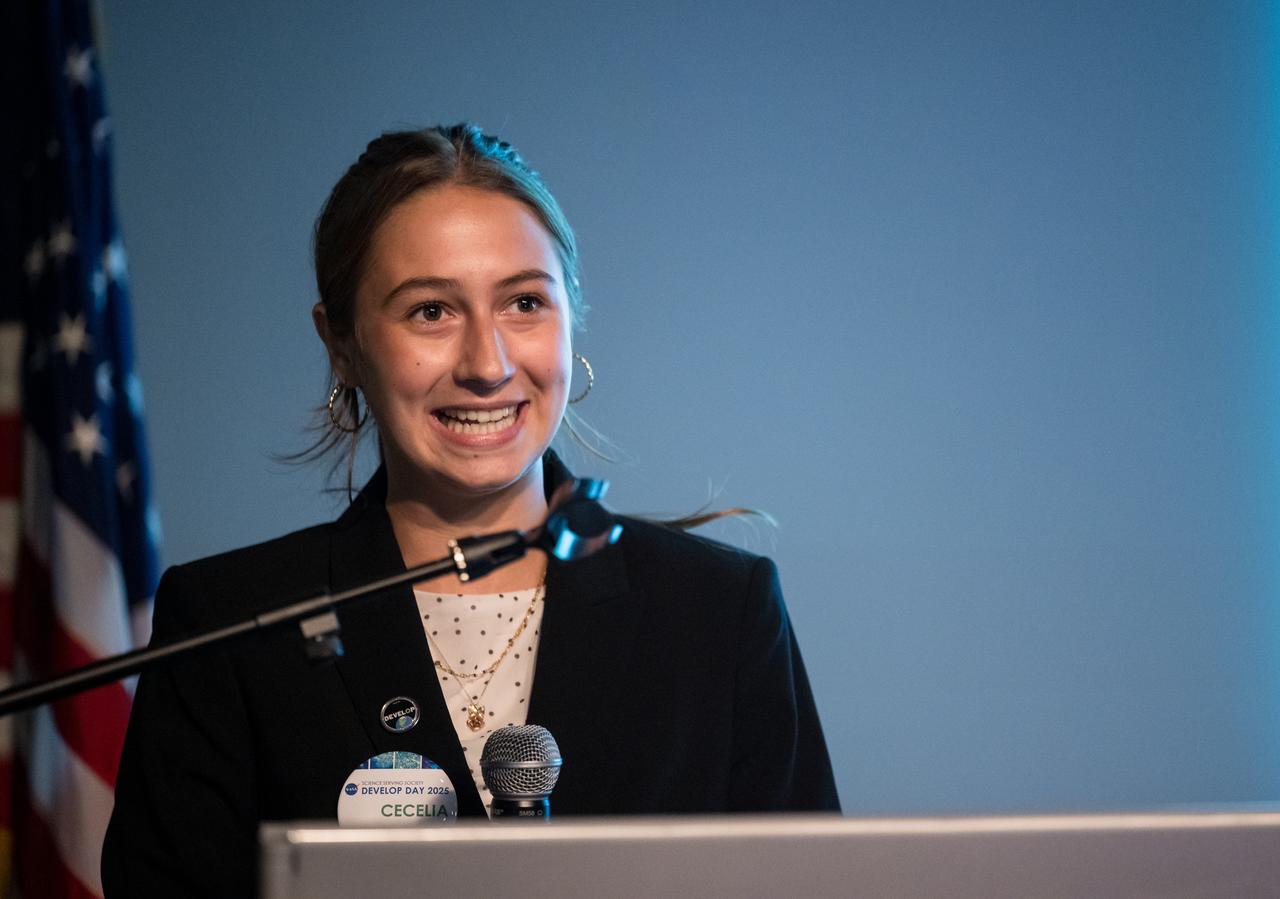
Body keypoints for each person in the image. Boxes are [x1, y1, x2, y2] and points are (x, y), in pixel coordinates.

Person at [101, 124, 839, 897]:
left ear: (570, 317)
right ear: (343, 344)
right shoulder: (228, 628)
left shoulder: (719, 613)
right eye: (430, 312)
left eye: (524, 302)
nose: (487, 364)